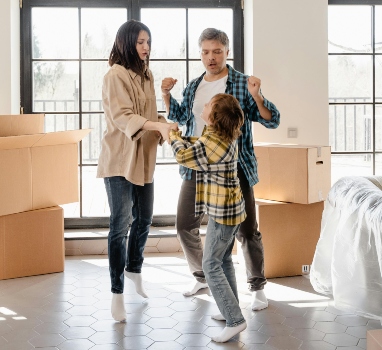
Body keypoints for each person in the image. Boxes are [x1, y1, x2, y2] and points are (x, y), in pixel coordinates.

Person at [162, 28, 281, 311]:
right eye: (205, 52)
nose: (211, 57)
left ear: (227, 52)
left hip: (234, 169)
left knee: (247, 230)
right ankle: (203, 275)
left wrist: (258, 97)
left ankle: (257, 286)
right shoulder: (194, 86)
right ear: (200, 54)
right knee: (184, 225)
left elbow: (272, 120)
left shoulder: (242, 84)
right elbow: (179, 116)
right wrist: (166, 94)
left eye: (216, 51)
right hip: (199, 167)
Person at [98, 19, 176, 322]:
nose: (146, 47)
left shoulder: (146, 75)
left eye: (148, 42)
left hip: (143, 159)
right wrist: (156, 125)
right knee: (120, 225)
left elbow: (146, 114)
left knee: (144, 219)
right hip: (119, 160)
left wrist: (165, 123)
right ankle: (116, 292)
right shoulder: (114, 75)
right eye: (141, 42)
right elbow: (122, 116)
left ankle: (134, 270)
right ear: (126, 42)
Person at [170, 93, 247, 343]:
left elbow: (185, 156)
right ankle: (230, 311)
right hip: (229, 210)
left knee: (210, 265)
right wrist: (181, 136)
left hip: (224, 214)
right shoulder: (219, 135)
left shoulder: (214, 143)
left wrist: (171, 137)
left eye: (207, 106)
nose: (203, 107)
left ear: (213, 118)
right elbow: (198, 142)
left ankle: (235, 320)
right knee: (223, 260)